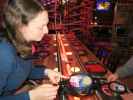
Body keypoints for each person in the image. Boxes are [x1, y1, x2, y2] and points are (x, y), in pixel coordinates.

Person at [0, 0, 67, 100]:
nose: (46, 31)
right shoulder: (4, 53)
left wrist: (47, 72)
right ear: (20, 26)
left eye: (47, 24)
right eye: (41, 27)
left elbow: (22, 71)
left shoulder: (24, 42)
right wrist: (31, 96)